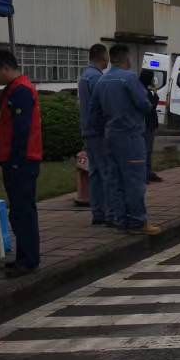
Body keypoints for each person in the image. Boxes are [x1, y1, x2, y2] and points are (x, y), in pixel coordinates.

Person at [90, 44, 159, 235]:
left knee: (115, 180)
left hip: (110, 136)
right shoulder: (129, 78)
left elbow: (94, 112)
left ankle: (119, 219)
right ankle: (137, 221)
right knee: (134, 180)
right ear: (126, 59)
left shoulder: (101, 80)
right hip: (130, 135)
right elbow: (144, 105)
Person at [0, 50, 42, 275]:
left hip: (21, 160)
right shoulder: (14, 89)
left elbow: (21, 129)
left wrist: (16, 160)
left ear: (5, 68)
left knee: (23, 211)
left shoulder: (20, 90)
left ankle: (28, 260)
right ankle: (24, 256)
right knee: (19, 211)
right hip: (16, 159)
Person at [78, 44, 109, 225]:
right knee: (105, 171)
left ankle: (98, 212)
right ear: (102, 57)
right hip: (99, 131)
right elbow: (102, 105)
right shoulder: (97, 78)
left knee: (95, 172)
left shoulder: (85, 76)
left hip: (88, 130)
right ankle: (107, 211)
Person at [138, 68, 163, 184]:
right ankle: (144, 174)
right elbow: (151, 106)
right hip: (146, 123)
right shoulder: (143, 91)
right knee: (145, 150)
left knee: (148, 150)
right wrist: (155, 94)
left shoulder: (145, 90)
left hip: (150, 124)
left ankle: (148, 172)